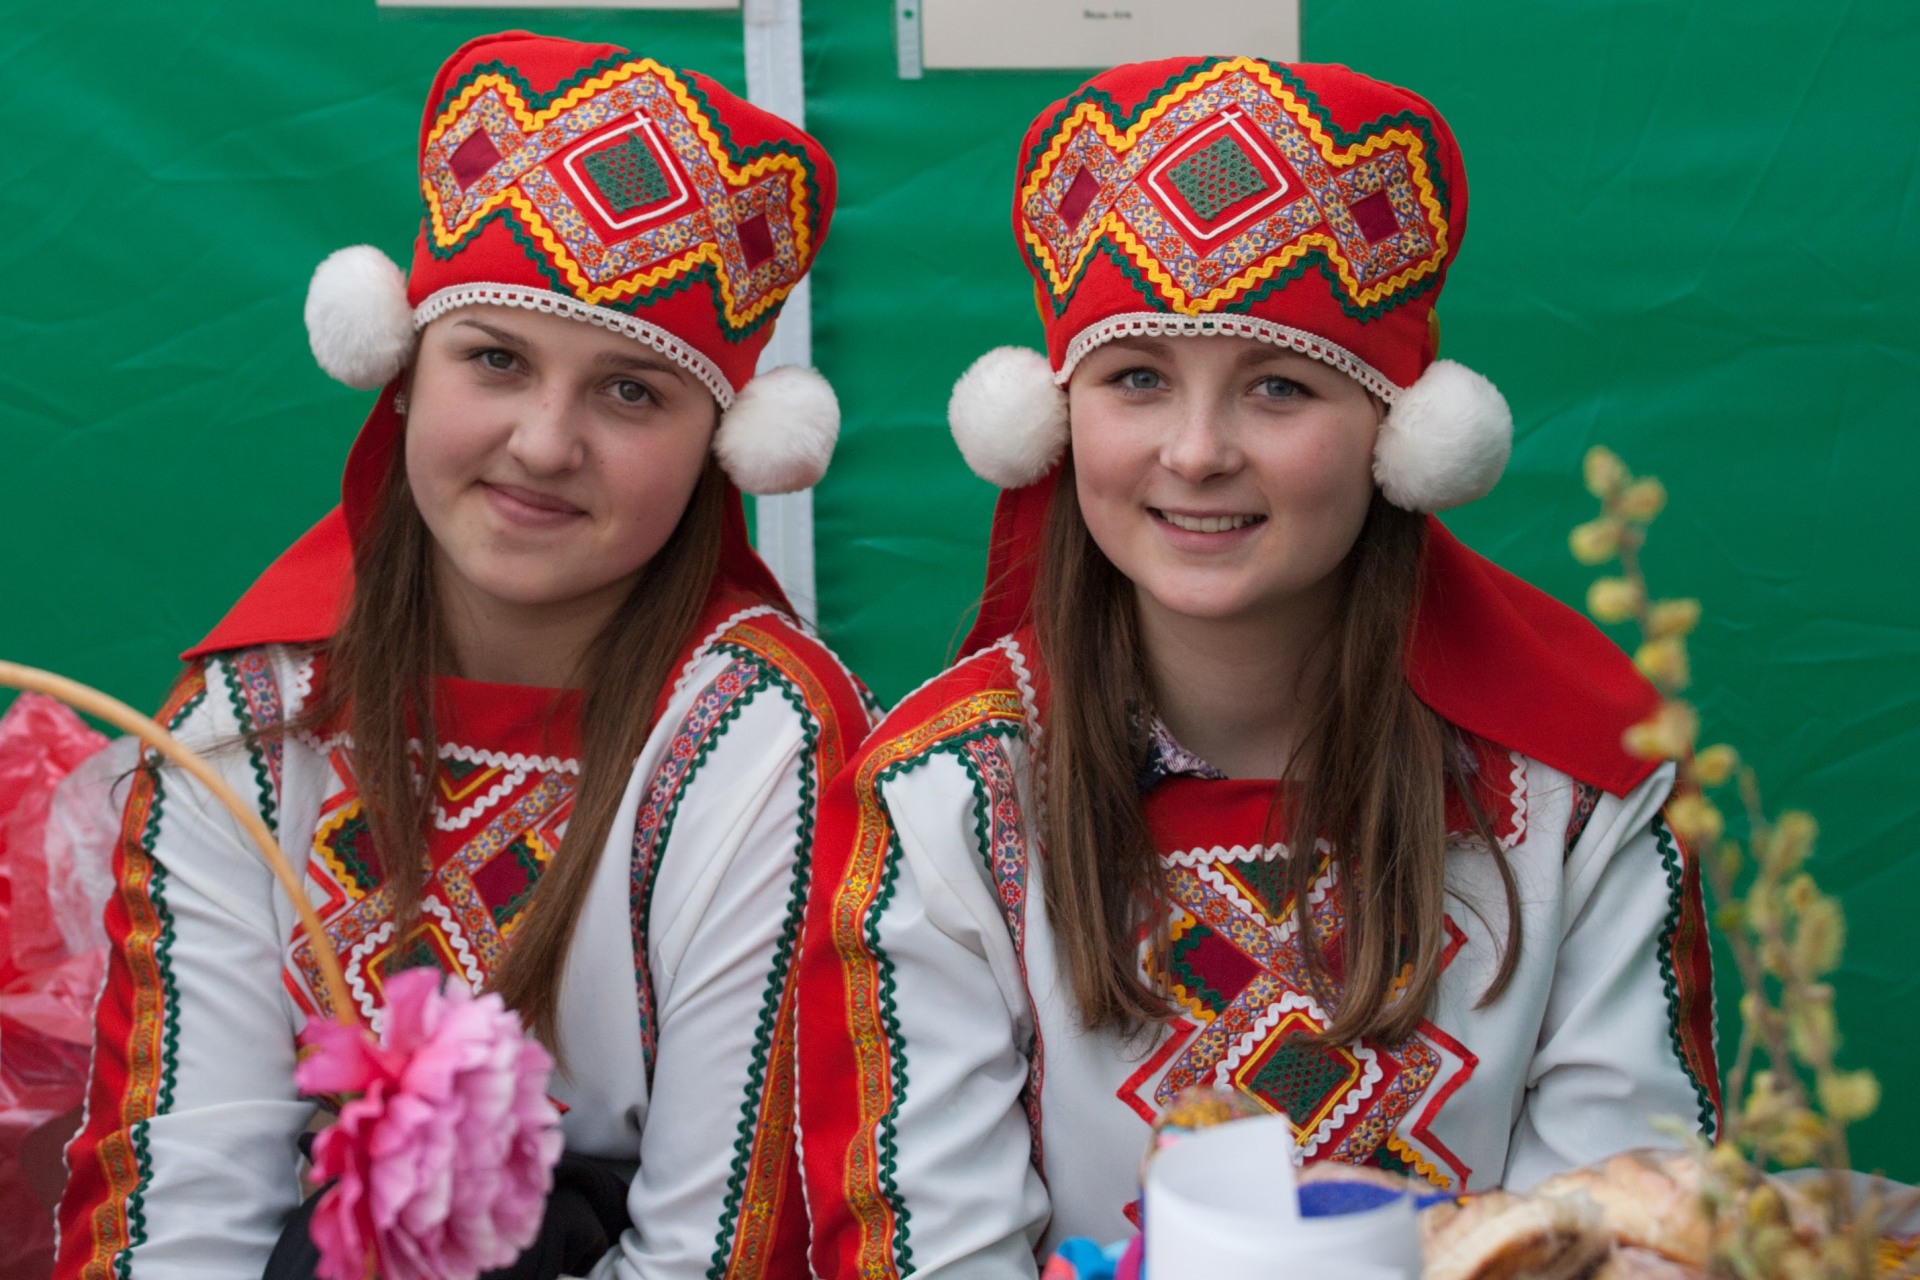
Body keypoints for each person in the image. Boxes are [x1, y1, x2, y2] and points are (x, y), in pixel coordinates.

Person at [794, 56, 1719, 1277]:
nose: (1196, 452)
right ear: (1057, 418)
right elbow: (940, 1249)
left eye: (1278, 387)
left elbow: (1620, 1230)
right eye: (1137, 379)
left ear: (1398, 434)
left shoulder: (1577, 788)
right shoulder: (951, 795)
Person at [54, 31, 871, 1280]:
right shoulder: (247, 723)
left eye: (632, 392)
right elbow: (182, 1207)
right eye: (495, 359)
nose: (544, 442)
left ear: (724, 443)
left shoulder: (763, 741)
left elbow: (719, 1244)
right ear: (397, 368)